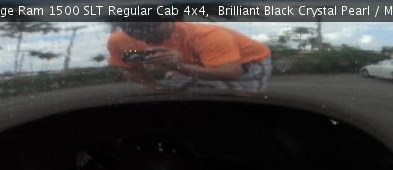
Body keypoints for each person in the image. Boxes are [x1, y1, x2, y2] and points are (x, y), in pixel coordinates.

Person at [108, 22, 272, 92]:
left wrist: (181, 67)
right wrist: (157, 87)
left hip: (247, 62)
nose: (145, 35)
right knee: (176, 93)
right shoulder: (119, 40)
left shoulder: (206, 35)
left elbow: (233, 74)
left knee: (240, 100)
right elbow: (130, 69)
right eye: (133, 30)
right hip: (189, 62)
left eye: (151, 27)